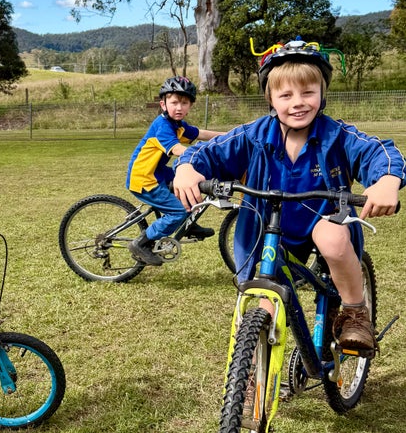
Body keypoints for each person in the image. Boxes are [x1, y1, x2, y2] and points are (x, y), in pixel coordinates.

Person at [173, 38, 405, 353]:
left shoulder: (336, 135)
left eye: (308, 92)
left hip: (326, 217)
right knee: (262, 298)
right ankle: (255, 376)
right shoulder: (254, 136)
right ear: (271, 98)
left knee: (333, 241)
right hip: (267, 226)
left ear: (322, 94)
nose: (298, 102)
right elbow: (206, 152)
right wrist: (187, 168)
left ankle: (354, 312)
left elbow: (378, 152)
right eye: (286, 95)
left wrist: (386, 181)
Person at [125, 75, 225, 265]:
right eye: (174, 102)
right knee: (176, 212)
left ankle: (188, 224)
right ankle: (141, 243)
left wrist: (230, 136)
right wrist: (197, 156)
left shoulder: (178, 125)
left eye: (184, 103)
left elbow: (201, 134)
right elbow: (177, 149)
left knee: (192, 184)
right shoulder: (162, 126)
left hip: (159, 172)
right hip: (145, 178)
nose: (179, 107)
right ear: (163, 104)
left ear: (190, 106)